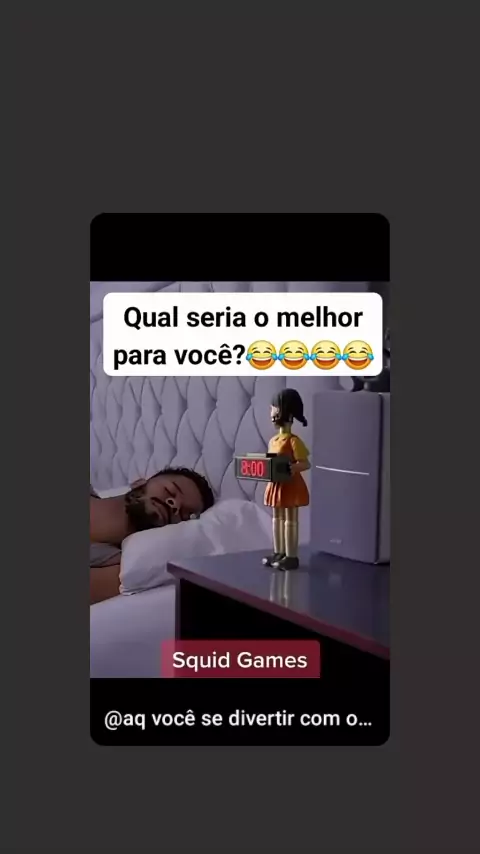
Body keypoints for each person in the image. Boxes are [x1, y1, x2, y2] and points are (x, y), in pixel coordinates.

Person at [90, 466, 214, 605]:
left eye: (186, 514)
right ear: (139, 483)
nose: (175, 505)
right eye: (170, 491)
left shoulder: (115, 567)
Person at [263, 388, 310, 570]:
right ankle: (279, 552)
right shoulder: (273, 441)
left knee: (290, 520)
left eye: (274, 408)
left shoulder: (293, 441)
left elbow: (305, 463)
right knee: (276, 518)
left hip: (290, 485)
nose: (271, 412)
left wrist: (293, 468)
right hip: (276, 484)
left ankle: (291, 556)